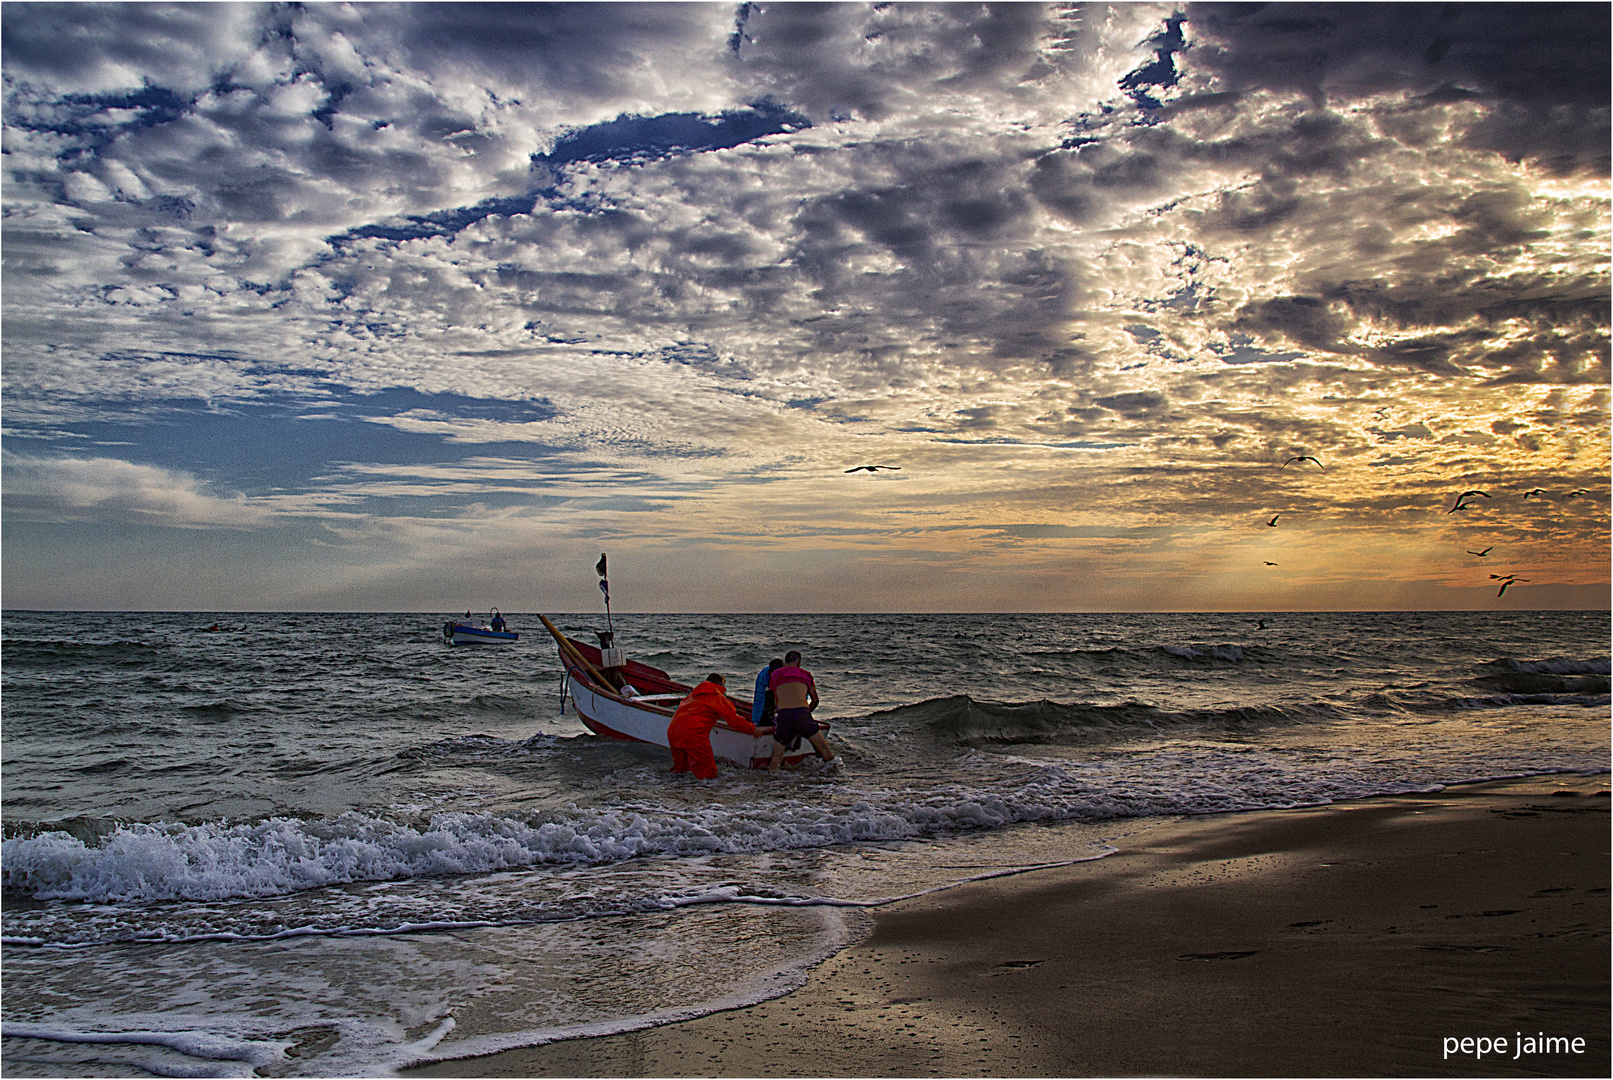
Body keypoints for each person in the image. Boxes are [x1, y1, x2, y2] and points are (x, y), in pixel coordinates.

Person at [667, 673, 768, 780]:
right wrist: (752, 729)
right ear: (720, 685)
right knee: (708, 773)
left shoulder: (692, 696)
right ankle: (708, 793)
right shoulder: (717, 697)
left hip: (673, 732)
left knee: (680, 770)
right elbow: (734, 720)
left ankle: (674, 791)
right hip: (694, 734)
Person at [768, 650, 836, 773]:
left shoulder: (775, 675)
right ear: (799, 663)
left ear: (785, 662)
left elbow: (776, 702)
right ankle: (837, 779)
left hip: (784, 716)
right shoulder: (806, 674)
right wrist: (807, 714)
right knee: (825, 751)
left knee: (776, 758)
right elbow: (815, 700)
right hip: (802, 715)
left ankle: (770, 786)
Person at [751, 657, 783, 728]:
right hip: (769, 695)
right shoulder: (762, 677)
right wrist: (756, 721)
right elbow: (758, 699)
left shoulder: (789, 675)